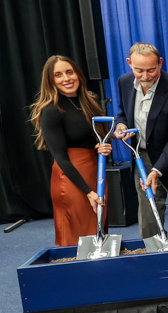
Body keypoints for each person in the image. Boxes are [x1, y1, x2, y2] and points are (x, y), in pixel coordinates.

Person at [113, 42, 168, 238]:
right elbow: (123, 113)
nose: (145, 76)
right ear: (129, 63)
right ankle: (152, 253)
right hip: (143, 158)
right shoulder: (124, 82)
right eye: (139, 70)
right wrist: (120, 126)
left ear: (160, 63)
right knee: (148, 219)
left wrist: (157, 170)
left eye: (151, 70)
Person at [29, 56, 113, 246]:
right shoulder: (51, 111)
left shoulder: (90, 101)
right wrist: (88, 192)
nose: (66, 78)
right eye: (58, 75)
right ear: (51, 80)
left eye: (69, 72)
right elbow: (60, 158)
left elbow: (99, 136)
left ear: (77, 74)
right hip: (71, 179)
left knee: (98, 232)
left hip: (96, 172)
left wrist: (104, 146)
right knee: (79, 239)